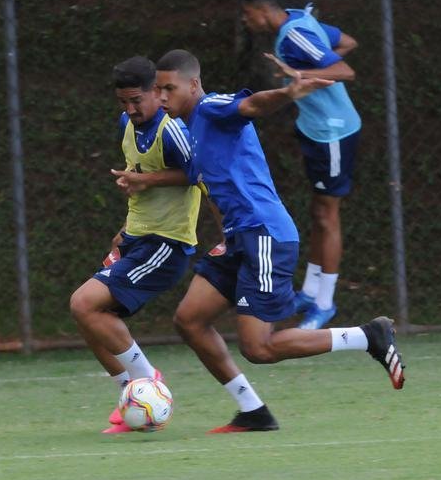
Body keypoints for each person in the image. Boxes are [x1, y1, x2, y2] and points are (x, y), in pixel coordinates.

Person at [155, 48, 404, 433]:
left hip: (264, 235)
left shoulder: (210, 108)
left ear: (193, 85)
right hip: (239, 239)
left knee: (259, 348)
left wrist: (288, 93)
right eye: (158, 89)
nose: (161, 97)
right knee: (189, 320)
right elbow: (212, 187)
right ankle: (253, 411)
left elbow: (252, 104)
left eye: (169, 88)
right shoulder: (192, 130)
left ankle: (367, 336)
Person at [69, 55, 200, 433]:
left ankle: (147, 381)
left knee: (84, 303)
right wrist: (125, 228)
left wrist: (145, 182)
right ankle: (131, 394)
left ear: (157, 93)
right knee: (88, 317)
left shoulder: (171, 130)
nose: (130, 109)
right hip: (136, 238)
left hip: (166, 244)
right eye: (123, 102)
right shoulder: (126, 124)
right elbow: (140, 178)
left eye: (136, 101)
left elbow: (196, 173)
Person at [240, 0, 361, 329]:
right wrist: (312, 66)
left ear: (262, 12)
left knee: (328, 216)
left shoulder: (294, 35)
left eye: (247, 15)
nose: (245, 21)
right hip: (315, 130)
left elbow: (345, 70)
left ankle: (325, 303)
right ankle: (309, 292)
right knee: (319, 212)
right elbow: (347, 42)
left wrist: (300, 74)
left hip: (333, 133)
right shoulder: (299, 19)